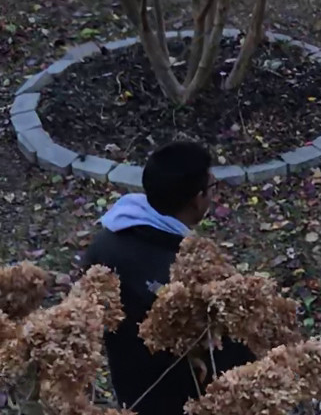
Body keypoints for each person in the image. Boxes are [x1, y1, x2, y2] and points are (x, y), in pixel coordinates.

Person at [82, 141, 254, 414]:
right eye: (211, 187)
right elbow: (228, 351)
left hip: (129, 384)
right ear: (197, 199)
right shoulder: (188, 277)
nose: (213, 195)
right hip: (177, 396)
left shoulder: (104, 243)